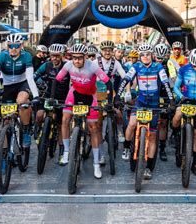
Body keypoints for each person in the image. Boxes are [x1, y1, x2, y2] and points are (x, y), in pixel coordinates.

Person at [115, 43, 175, 180]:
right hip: (141, 103)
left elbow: (165, 83)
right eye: (143, 55)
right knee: (131, 124)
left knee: (153, 136)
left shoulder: (158, 67)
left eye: (148, 54)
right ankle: (126, 147)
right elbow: (126, 80)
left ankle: (149, 167)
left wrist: (171, 100)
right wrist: (118, 96)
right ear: (140, 56)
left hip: (154, 104)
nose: (146, 57)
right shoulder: (136, 66)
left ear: (152, 55)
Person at [55, 43, 109, 179]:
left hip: (90, 97)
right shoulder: (68, 65)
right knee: (65, 119)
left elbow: (108, 82)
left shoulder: (93, 66)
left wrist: (112, 101)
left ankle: (96, 163)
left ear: (85, 57)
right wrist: (51, 97)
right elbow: (57, 80)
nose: (77, 61)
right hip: (74, 93)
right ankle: (67, 151)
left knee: (94, 128)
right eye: (74, 58)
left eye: (79, 58)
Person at [0, 34, 40, 148]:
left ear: (21, 45)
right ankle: (4, 154)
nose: (13, 48)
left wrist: (36, 96)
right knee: (6, 122)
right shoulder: (2, 56)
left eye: (16, 46)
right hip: (8, 87)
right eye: (10, 46)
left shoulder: (26, 56)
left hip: (22, 84)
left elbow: (30, 78)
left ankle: (26, 130)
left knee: (21, 101)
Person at [34, 43, 70, 162]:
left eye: (57, 56)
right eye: (52, 56)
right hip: (49, 96)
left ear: (62, 55)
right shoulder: (46, 65)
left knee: (61, 125)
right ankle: (39, 130)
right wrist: (35, 85)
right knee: (39, 115)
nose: (54, 58)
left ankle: (61, 150)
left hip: (63, 99)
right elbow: (35, 76)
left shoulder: (67, 66)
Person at [95, 40, 127, 164]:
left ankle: (119, 131)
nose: (107, 52)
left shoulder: (116, 63)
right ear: (101, 51)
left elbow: (125, 77)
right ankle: (101, 155)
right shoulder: (95, 62)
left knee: (118, 112)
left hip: (110, 92)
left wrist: (127, 91)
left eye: (109, 50)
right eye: (105, 50)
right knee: (98, 127)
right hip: (97, 93)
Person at [154, 43, 175, 161]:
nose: (161, 61)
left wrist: (174, 90)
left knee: (163, 122)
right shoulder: (148, 63)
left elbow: (173, 77)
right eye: (158, 58)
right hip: (150, 94)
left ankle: (162, 148)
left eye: (163, 58)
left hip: (164, 94)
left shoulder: (170, 64)